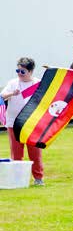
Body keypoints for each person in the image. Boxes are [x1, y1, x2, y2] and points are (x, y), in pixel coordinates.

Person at [2, 57, 45, 185]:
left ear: (31, 71)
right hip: (13, 123)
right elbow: (2, 95)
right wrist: (12, 94)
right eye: (18, 70)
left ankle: (38, 178)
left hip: (32, 123)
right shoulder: (12, 83)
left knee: (35, 153)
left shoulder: (39, 83)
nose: (19, 74)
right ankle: (17, 179)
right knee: (16, 153)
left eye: (23, 71)